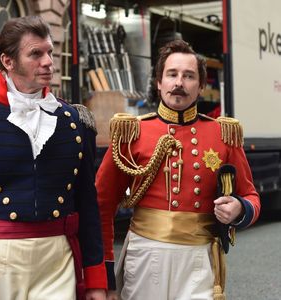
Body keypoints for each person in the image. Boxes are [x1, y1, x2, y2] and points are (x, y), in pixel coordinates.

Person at [0, 16, 107, 300]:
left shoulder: (75, 122)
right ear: (8, 61)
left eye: (50, 52)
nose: (48, 62)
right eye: (36, 54)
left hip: (58, 259)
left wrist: (95, 279)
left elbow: (88, 206)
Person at [96, 39, 260, 300]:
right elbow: (101, 205)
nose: (179, 83)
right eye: (171, 74)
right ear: (158, 83)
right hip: (146, 256)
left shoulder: (223, 134)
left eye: (189, 76)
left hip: (201, 258)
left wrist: (240, 208)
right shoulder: (132, 132)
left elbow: (251, 196)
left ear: (201, 86)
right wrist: (103, 276)